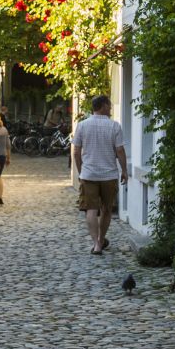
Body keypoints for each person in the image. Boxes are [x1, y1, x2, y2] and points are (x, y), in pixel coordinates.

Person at [71, 93, 129, 255]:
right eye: (109, 105)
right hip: (109, 175)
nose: (110, 108)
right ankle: (101, 239)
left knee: (91, 209)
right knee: (106, 209)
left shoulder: (82, 125)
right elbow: (119, 150)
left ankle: (96, 244)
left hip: (89, 175)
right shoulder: (114, 126)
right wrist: (124, 170)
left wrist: (81, 170)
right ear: (103, 106)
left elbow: (76, 151)